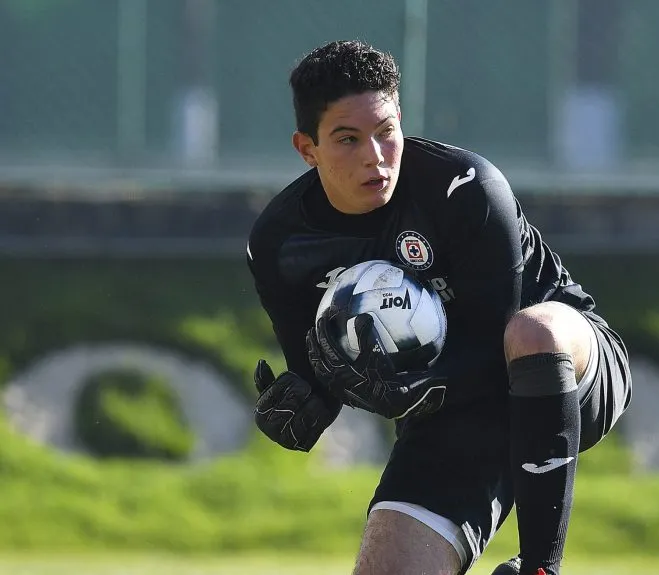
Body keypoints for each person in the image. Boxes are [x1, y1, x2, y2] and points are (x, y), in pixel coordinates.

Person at [246, 39, 632, 575]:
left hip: (571, 373)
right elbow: (322, 371)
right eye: (347, 139)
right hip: (451, 415)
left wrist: (415, 387)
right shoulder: (280, 244)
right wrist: (302, 405)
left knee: (531, 331)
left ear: (401, 120)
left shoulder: (465, 187)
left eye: (386, 132)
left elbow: (495, 344)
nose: (375, 157)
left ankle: (543, 567)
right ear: (306, 148)